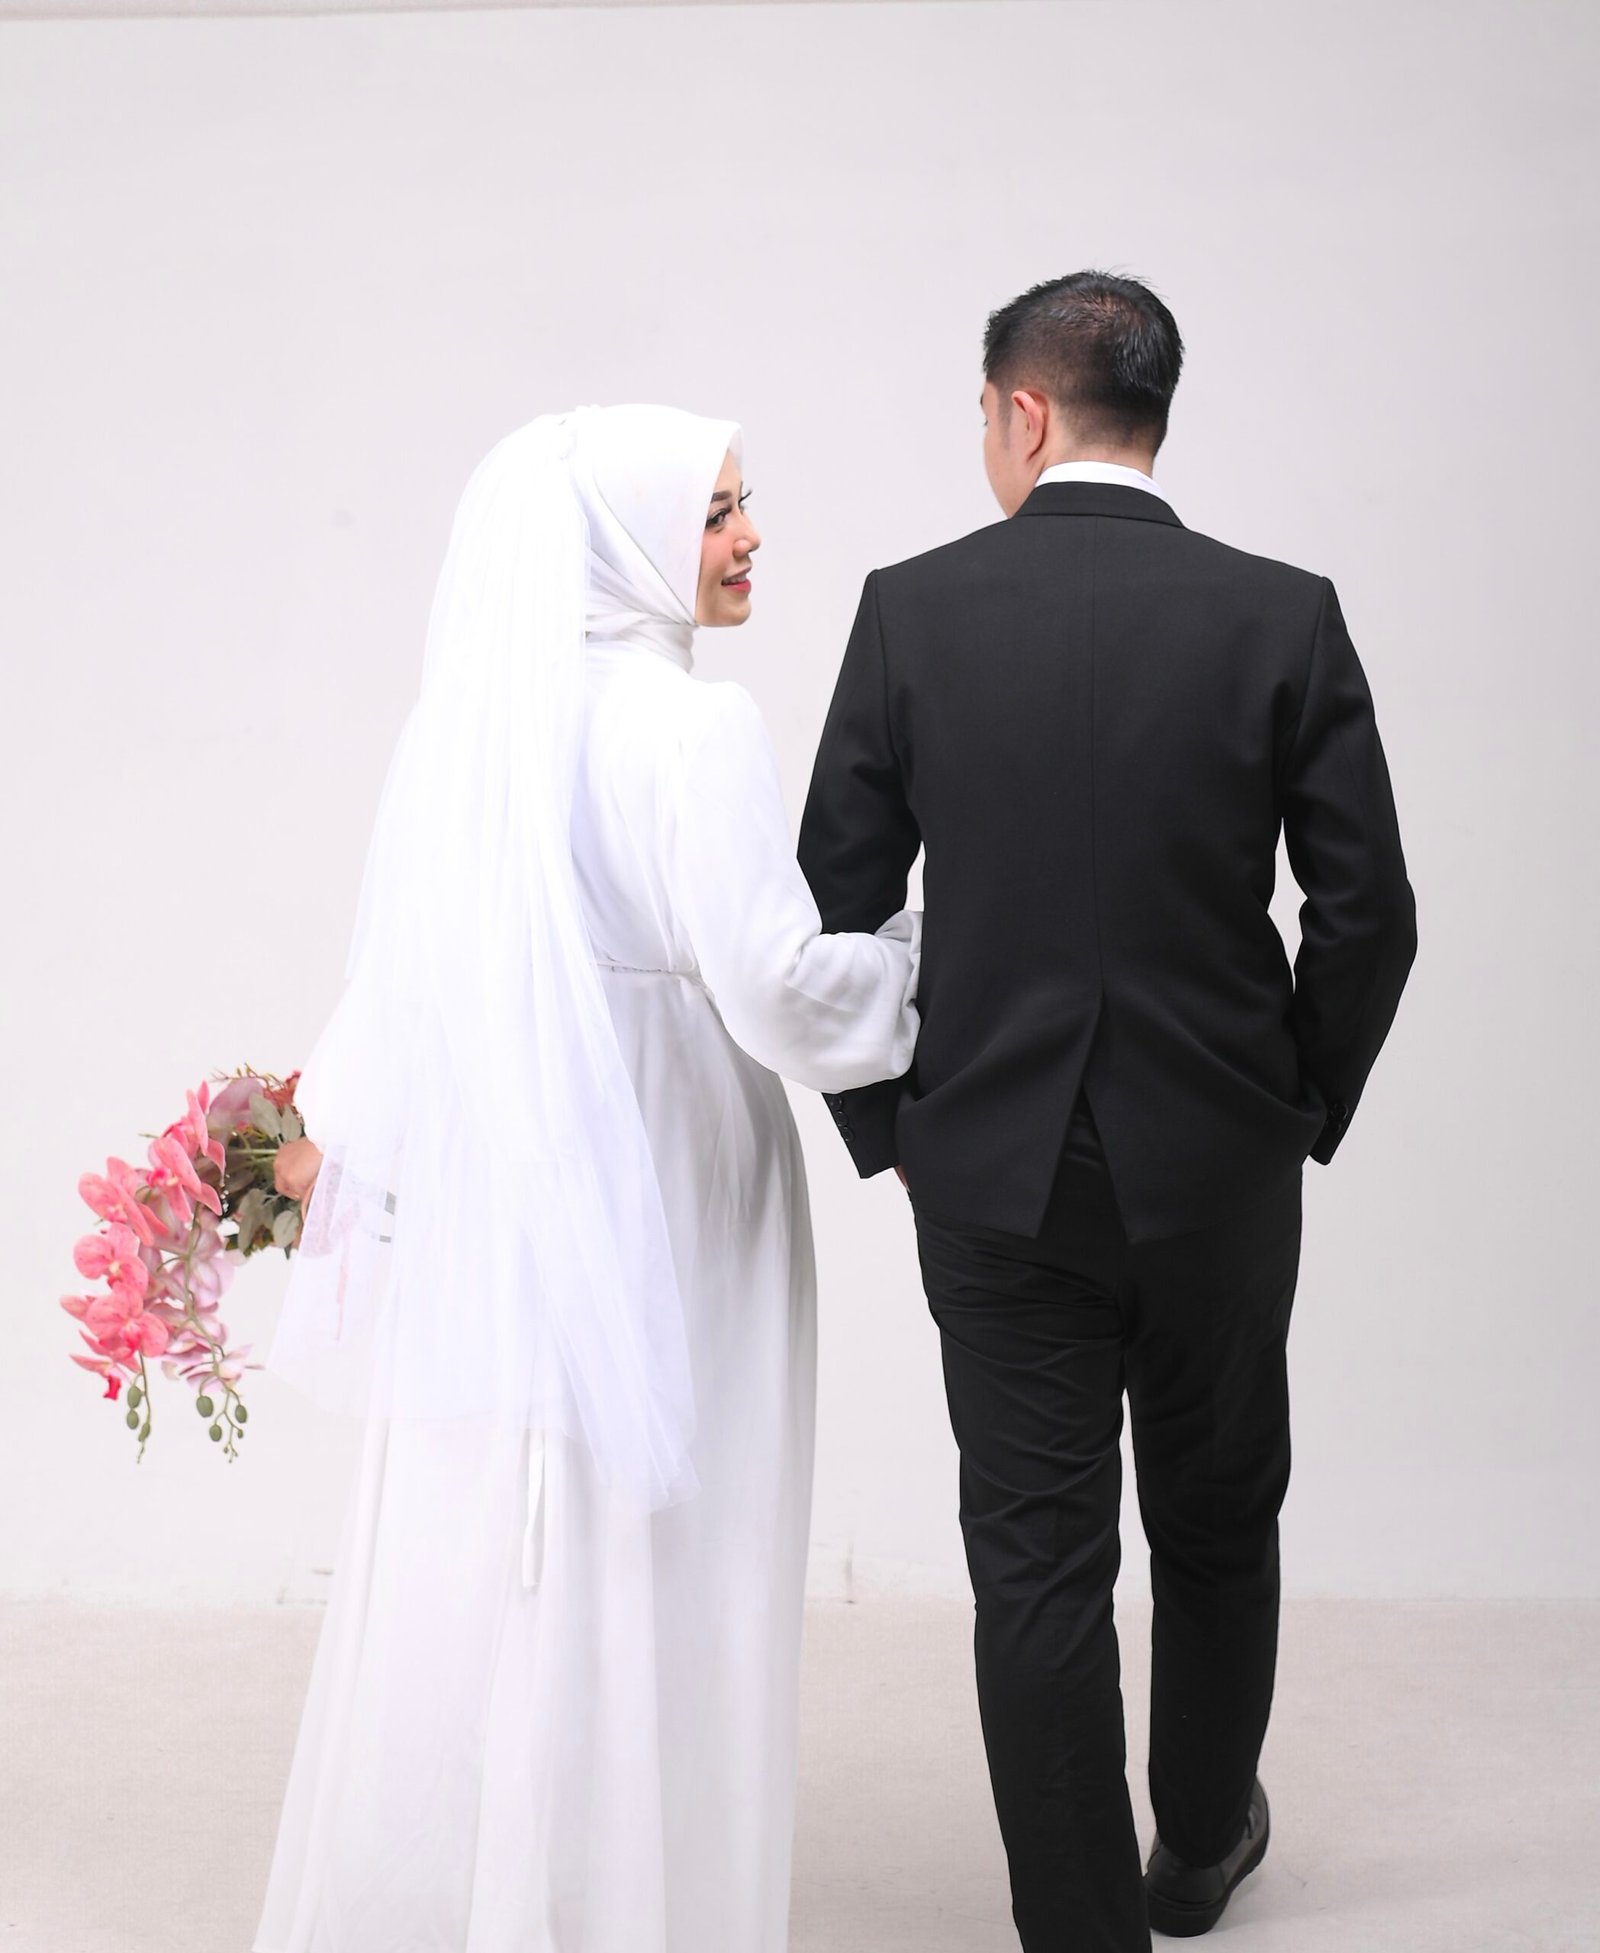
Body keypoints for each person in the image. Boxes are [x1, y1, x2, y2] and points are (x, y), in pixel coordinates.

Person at [798, 272, 1417, 1949]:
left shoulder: (911, 611)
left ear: (1022, 411)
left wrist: (896, 1120)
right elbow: (1370, 915)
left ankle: (1082, 1927)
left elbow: (830, 913)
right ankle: (1199, 1848)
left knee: (1036, 1563)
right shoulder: (1281, 614)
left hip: (992, 1173)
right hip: (1219, 1170)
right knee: (1217, 1518)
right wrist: (1290, 1102)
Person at [252, 405, 921, 1953]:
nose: (749, 536)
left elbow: (403, 983)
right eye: (716, 512)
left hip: (509, 1178)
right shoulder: (695, 730)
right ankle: (647, 1899)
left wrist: (295, 1147)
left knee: (523, 1534)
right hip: (677, 1170)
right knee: (681, 1531)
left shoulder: (467, 726)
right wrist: (915, 960)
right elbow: (775, 990)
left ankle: (518, 1891)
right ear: (625, 541)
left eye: (743, 503)